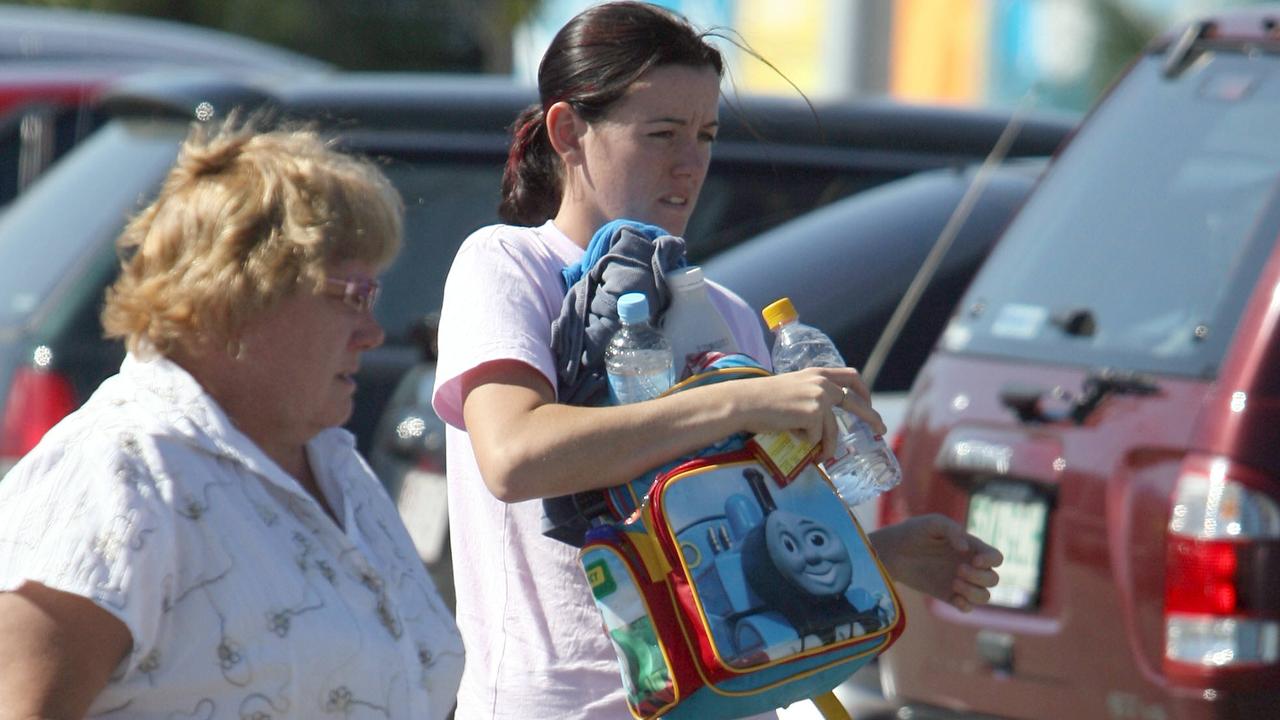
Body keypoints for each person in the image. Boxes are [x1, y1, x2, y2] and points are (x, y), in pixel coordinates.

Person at [431, 2, 1002, 718]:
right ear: (568, 131)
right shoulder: (509, 264)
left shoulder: (727, 312)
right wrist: (742, 401)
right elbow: (514, 456)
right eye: (662, 133)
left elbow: (735, 549)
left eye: (705, 135)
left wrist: (883, 554)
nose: (690, 163)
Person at [0, 120, 463, 719]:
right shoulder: (119, 470)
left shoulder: (329, 463)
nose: (373, 333)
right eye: (353, 297)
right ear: (240, 294)